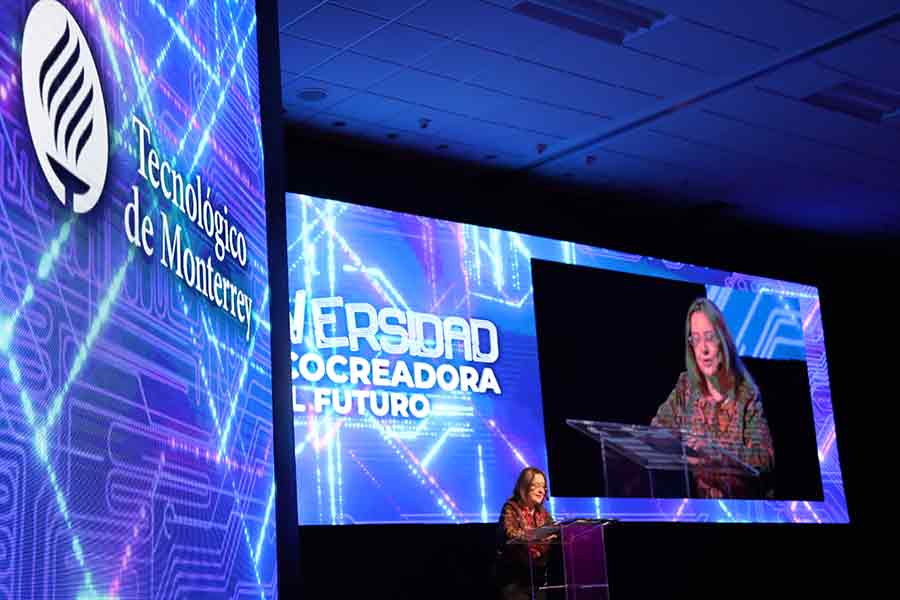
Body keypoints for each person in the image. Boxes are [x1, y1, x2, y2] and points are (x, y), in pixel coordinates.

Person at [652, 298, 775, 498]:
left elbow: (764, 459)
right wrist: (681, 448)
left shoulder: (747, 395)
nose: (704, 350)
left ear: (722, 339)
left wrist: (716, 453)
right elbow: (656, 432)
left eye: (709, 337)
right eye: (696, 339)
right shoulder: (686, 387)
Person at [495, 466, 554, 600]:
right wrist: (539, 536)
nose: (541, 491)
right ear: (524, 486)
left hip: (538, 580)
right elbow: (510, 533)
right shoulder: (511, 508)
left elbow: (555, 532)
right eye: (537, 485)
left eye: (544, 487)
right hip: (514, 581)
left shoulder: (544, 514)